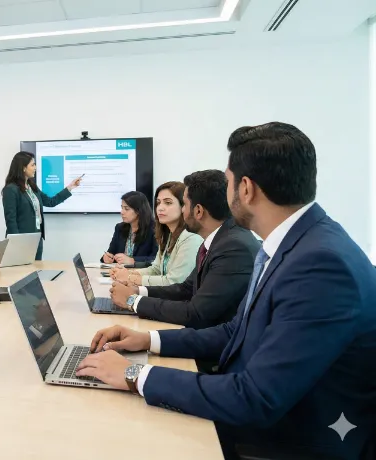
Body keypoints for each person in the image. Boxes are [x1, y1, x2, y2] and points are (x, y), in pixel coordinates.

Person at [76, 123, 376, 460]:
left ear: (245, 188)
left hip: (288, 440)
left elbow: (255, 398)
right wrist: (147, 340)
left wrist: (133, 373)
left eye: (228, 181)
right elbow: (238, 331)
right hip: (262, 415)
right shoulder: (296, 242)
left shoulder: (320, 264)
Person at [109, 170, 260, 332]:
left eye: (185, 205)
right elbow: (185, 289)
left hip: (215, 346)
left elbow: (195, 313)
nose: (182, 211)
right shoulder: (218, 239)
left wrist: (132, 301)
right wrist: (137, 290)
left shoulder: (233, 247)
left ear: (199, 211)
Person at [111, 182, 202, 286]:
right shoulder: (168, 236)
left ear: (183, 206)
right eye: (158, 203)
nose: (160, 208)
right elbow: (156, 270)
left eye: (168, 203)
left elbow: (173, 281)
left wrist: (130, 278)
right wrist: (127, 273)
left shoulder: (191, 238)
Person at [1, 151, 82, 260]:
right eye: (32, 165)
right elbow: (11, 220)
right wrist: (17, 243)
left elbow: (50, 201)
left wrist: (70, 187)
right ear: (23, 168)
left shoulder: (31, 186)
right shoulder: (11, 189)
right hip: (22, 241)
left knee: (36, 271)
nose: (35, 168)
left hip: (36, 238)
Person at [101, 191, 157, 266]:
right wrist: (106, 258)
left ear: (139, 211)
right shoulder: (119, 228)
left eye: (126, 209)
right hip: (120, 272)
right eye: (122, 208)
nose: (122, 212)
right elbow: (111, 253)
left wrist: (133, 260)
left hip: (141, 274)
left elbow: (156, 259)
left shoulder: (154, 230)